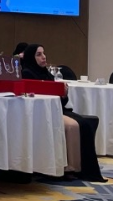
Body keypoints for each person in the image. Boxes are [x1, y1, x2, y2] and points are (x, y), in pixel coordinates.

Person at [20, 43, 105, 181]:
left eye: (44, 53)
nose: (43, 57)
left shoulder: (46, 73)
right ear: (31, 57)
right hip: (42, 113)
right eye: (39, 54)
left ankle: (79, 168)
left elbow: (61, 101)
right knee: (72, 126)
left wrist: (64, 94)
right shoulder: (27, 74)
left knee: (84, 124)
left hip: (57, 109)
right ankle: (70, 167)